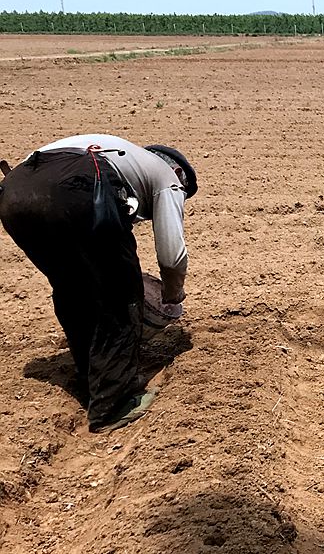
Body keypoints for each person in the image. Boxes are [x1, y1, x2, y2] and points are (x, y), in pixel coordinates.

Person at [0, 134, 197, 432]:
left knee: (72, 286)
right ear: (179, 174)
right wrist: (172, 295)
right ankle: (114, 405)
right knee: (121, 293)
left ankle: (91, 376)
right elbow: (171, 256)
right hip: (79, 186)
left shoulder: (120, 154)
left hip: (13, 193)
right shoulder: (168, 175)